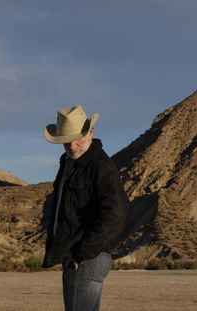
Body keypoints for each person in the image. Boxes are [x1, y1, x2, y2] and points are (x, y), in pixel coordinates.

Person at [42, 105, 129, 311]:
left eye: (77, 138)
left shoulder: (100, 166)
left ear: (90, 131)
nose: (72, 146)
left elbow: (116, 212)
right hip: (82, 257)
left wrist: (82, 252)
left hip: (84, 259)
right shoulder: (69, 164)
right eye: (66, 141)